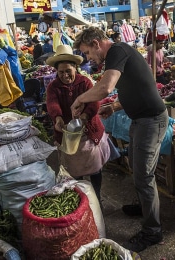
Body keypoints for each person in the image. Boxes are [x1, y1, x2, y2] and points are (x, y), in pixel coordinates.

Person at [70, 26, 168, 253]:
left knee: (144, 176)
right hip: (140, 119)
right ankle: (145, 206)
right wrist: (115, 106)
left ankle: (153, 231)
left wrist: (80, 99)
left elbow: (105, 87)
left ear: (96, 43)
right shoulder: (118, 56)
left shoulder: (117, 50)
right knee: (137, 169)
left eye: (87, 52)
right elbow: (134, 86)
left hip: (151, 120)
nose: (88, 58)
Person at [45, 44, 110, 204]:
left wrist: (84, 117)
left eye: (68, 71)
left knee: (94, 170)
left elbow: (94, 103)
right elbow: (52, 104)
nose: (65, 75)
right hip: (69, 135)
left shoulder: (85, 82)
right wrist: (58, 119)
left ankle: (97, 196)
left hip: (88, 132)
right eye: (61, 72)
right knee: (75, 172)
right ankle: (82, 199)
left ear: (75, 68)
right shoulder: (53, 87)